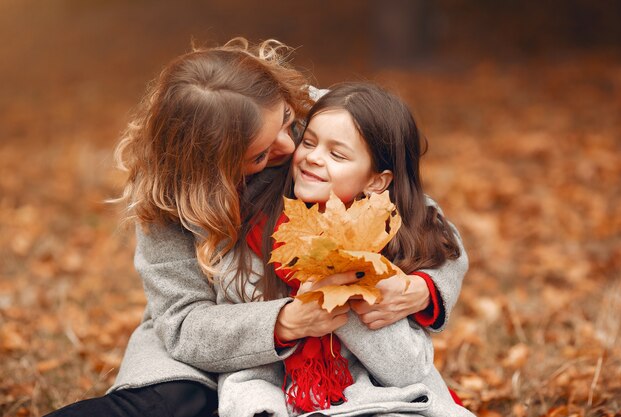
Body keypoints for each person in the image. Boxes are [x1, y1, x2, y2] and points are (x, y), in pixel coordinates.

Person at [45, 39, 467, 417]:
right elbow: (183, 324)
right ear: (214, 169)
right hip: (219, 333)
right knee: (168, 402)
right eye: (261, 154)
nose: (291, 148)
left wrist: (420, 289)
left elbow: (417, 216)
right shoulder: (168, 200)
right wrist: (287, 321)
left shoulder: (320, 120)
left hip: (338, 352)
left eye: (287, 123)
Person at [215, 82, 474, 417]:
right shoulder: (254, 239)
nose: (312, 158)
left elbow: (407, 369)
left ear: (376, 181)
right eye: (308, 142)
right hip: (293, 404)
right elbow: (246, 370)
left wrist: (347, 291)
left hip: (389, 402)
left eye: (337, 155)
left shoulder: (392, 242)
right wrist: (260, 408)